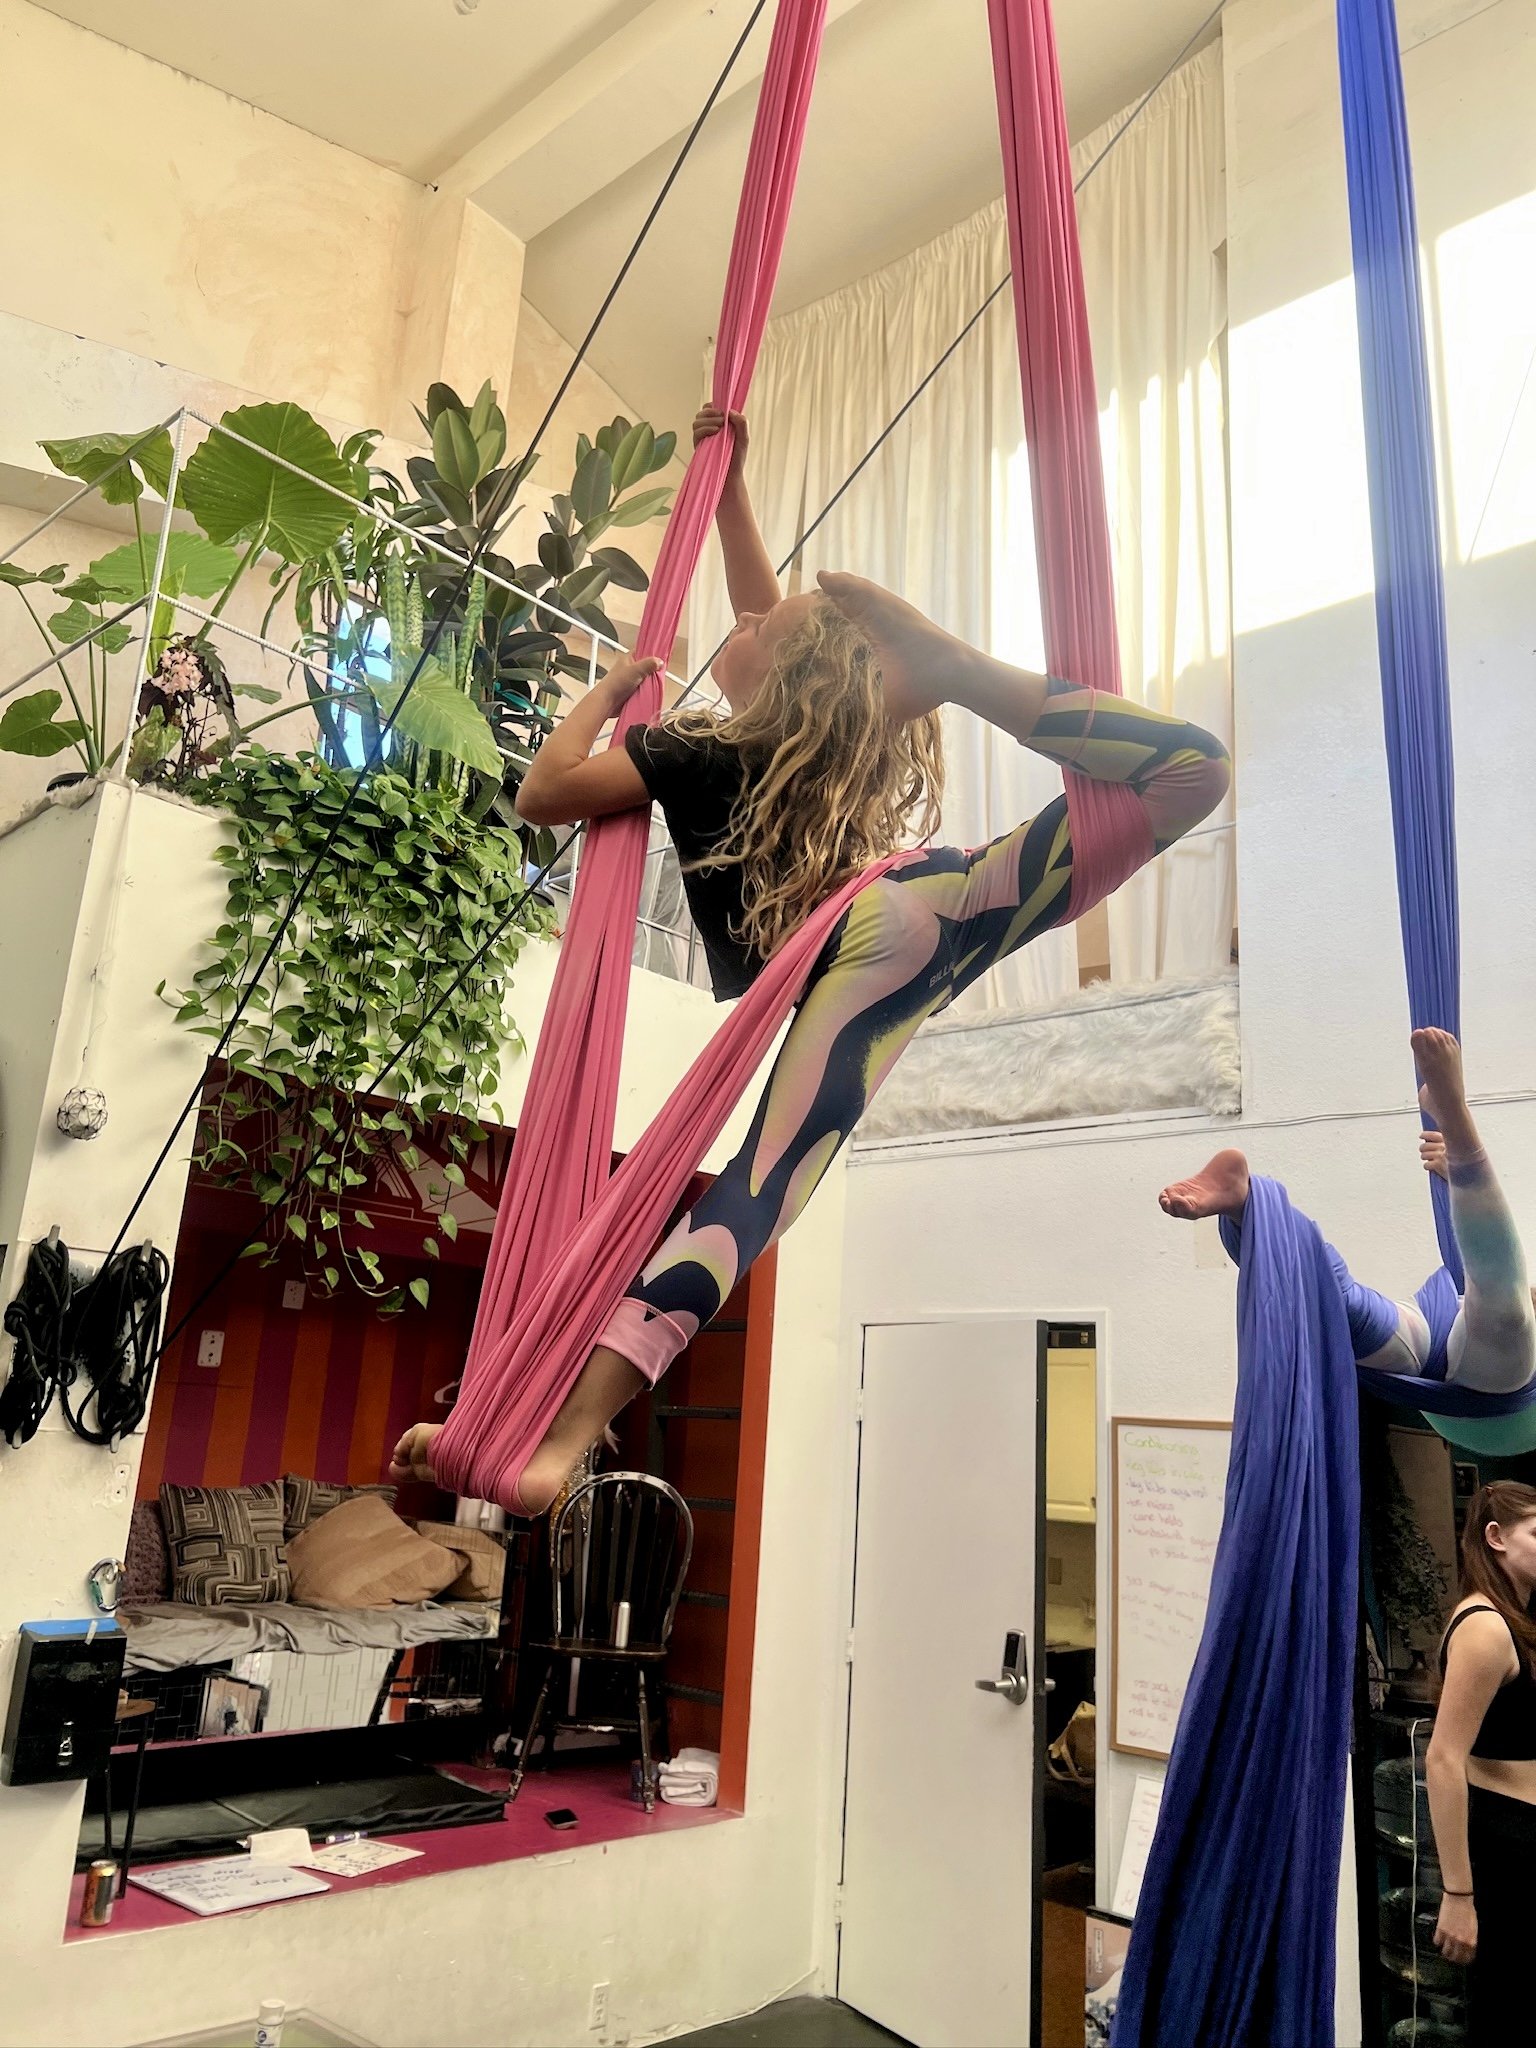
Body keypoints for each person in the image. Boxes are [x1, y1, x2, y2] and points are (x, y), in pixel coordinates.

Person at [392, 405, 1231, 1511]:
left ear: (776, 675)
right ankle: (966, 672)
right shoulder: (822, 737)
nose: (748, 614)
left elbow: (546, 792)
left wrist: (603, 698)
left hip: (854, 946)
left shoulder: (692, 749)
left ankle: (557, 1442)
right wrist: (725, 477)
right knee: (1190, 772)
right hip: (926, 910)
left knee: (754, 1193)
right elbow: (762, 610)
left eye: (760, 624)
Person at [1158, 1027, 1536, 1397]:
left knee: (1507, 1310)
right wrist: (1453, 1176)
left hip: (1506, 1383)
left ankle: (1457, 1124)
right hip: (1441, 1323)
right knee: (1344, 1305)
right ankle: (1247, 1205)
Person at [1424, 1480, 1536, 2037]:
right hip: (1506, 1844)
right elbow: (1443, 1759)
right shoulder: (1486, 1627)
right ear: (1495, 1537)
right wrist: (1459, 1895)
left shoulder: (1516, 1617)